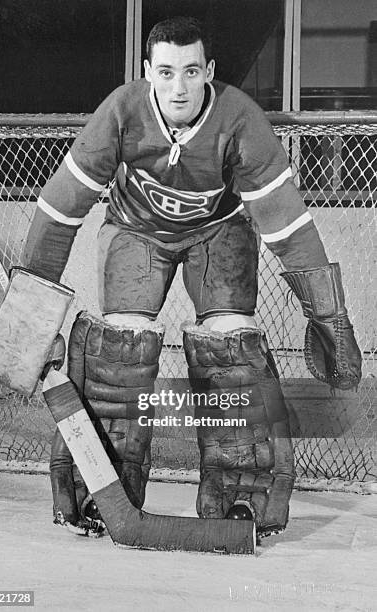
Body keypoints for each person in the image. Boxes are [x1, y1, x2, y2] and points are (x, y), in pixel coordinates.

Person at [19, 16, 361, 538]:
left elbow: (288, 226)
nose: (178, 87)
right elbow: (59, 213)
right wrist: (30, 314)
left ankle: (239, 495)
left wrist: (327, 313)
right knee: (119, 352)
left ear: (210, 72)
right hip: (135, 231)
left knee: (233, 354)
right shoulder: (120, 112)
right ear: (147, 72)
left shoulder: (241, 119)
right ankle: (104, 494)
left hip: (218, 234)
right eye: (166, 72)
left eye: (191, 71)